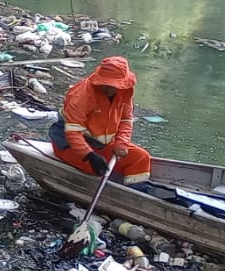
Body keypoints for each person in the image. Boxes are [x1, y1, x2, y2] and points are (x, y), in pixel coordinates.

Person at [49, 56, 152, 185]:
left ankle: (137, 191)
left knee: (141, 157)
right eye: (105, 84)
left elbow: (126, 119)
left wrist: (122, 143)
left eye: (113, 85)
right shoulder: (82, 96)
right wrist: (89, 155)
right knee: (94, 167)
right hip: (69, 143)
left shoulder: (125, 92)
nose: (108, 89)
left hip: (103, 144)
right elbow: (73, 133)